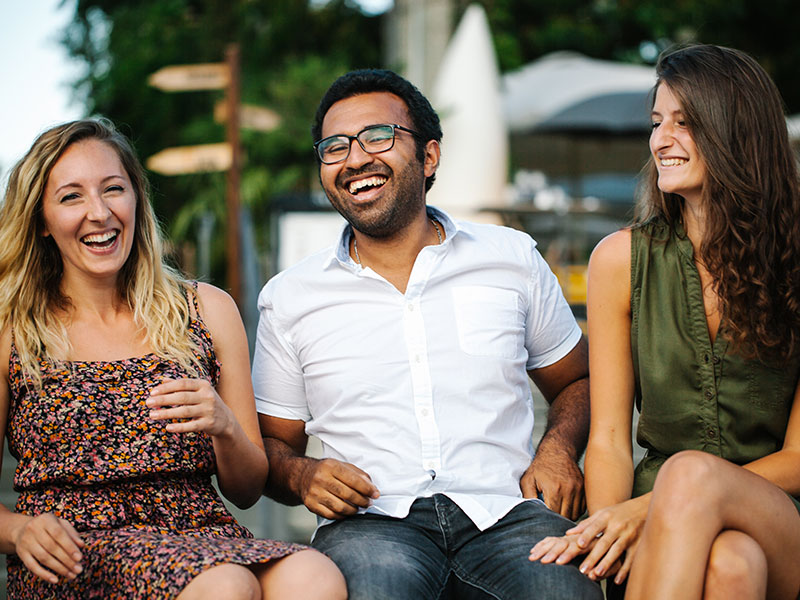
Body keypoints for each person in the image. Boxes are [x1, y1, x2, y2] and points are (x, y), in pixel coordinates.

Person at [252, 68, 603, 600]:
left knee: (562, 592)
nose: (355, 159)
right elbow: (272, 447)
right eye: (334, 146)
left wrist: (557, 450)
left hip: (507, 514)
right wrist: (302, 475)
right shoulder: (290, 297)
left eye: (378, 136)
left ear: (429, 156)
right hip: (371, 528)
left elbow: (577, 380)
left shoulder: (510, 257)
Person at [0, 119, 346, 599]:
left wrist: (224, 425)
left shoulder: (206, 309)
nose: (99, 213)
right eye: (71, 197)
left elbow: (247, 489)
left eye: (113, 189)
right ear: (40, 219)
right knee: (226, 585)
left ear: (136, 200)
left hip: (201, 530)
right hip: (76, 547)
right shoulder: (12, 327)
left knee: (315, 575)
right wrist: (17, 531)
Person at [529, 44, 800, 599]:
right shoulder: (619, 260)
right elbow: (606, 438)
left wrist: (646, 508)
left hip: (780, 513)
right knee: (731, 566)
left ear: (736, 132)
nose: (660, 140)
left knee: (692, 475)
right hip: (658, 516)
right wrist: (608, 531)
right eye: (656, 123)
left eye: (684, 122)